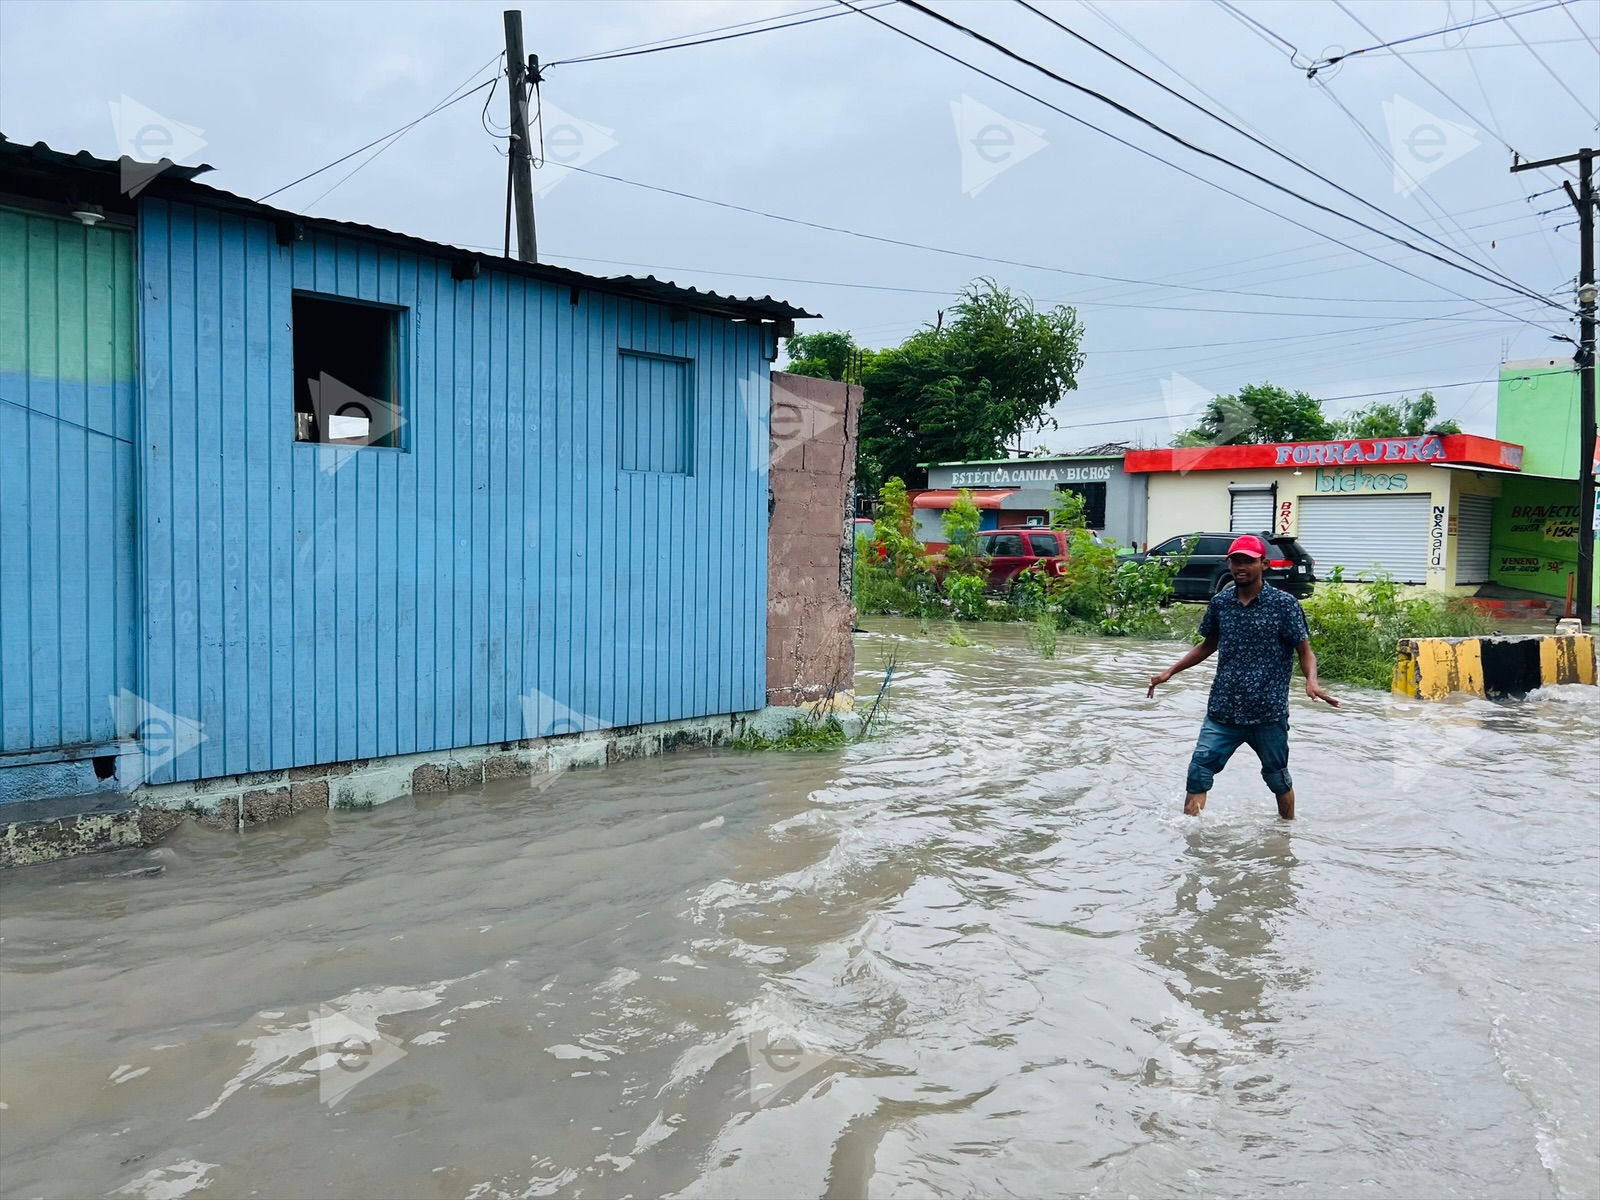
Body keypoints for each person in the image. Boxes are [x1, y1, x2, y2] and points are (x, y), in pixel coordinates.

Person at [1146, 534, 1339, 820]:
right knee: (1198, 772)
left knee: (1278, 779)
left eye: (1248, 561)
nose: (1241, 567)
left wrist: (1312, 681)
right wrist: (1170, 672)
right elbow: (1208, 645)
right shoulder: (1221, 603)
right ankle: (1191, 842)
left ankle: (1286, 833)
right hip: (1223, 710)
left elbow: (1305, 650)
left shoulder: (1284, 605)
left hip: (1267, 712)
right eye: (1236, 561)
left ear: (1264, 564)